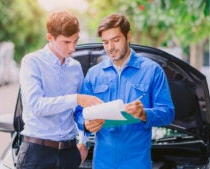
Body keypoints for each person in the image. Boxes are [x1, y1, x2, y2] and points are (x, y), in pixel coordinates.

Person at [79, 14, 175, 169]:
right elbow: (79, 112)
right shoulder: (94, 74)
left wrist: (144, 114)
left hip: (137, 163)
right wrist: (86, 123)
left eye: (116, 40)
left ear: (128, 36)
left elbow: (168, 113)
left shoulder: (152, 71)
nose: (110, 47)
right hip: (102, 163)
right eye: (105, 42)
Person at [17, 10, 102, 169]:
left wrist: (83, 141)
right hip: (37, 154)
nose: (73, 48)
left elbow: (80, 111)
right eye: (66, 42)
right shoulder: (32, 62)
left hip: (69, 154)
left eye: (75, 41)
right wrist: (75, 98)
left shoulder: (75, 68)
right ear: (50, 37)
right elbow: (37, 106)